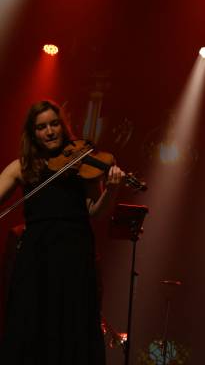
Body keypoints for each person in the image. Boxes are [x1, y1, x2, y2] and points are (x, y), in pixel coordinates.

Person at [0, 100, 124, 363]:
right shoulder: (23, 166)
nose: (50, 132)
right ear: (33, 133)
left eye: (54, 124)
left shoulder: (82, 161)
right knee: (31, 323)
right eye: (41, 127)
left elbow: (95, 211)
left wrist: (111, 190)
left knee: (73, 324)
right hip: (36, 256)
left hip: (74, 254)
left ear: (63, 126)